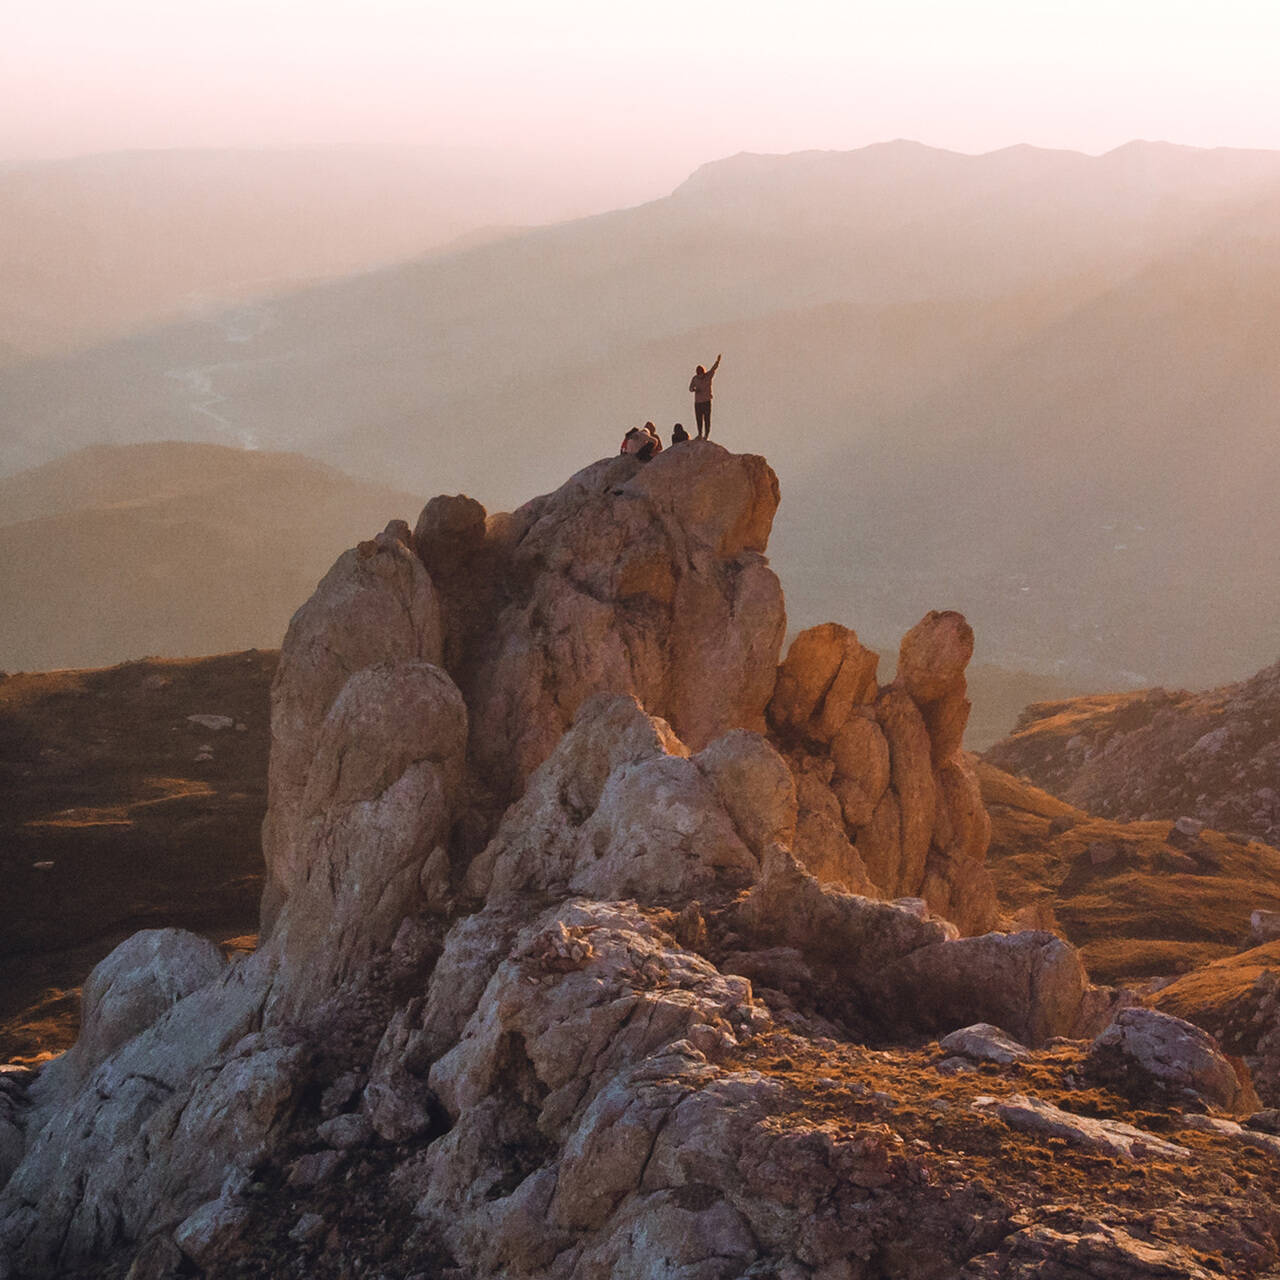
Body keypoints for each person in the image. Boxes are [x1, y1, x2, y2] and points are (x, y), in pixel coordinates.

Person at [689, 354, 721, 438]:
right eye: (698, 373)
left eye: (701, 373)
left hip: (706, 400)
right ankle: (700, 433)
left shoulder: (708, 376)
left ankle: (706, 435)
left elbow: (714, 368)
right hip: (698, 402)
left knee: (707, 419)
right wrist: (695, 390)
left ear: (703, 372)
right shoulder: (695, 378)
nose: (700, 375)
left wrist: (717, 361)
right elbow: (690, 388)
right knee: (699, 419)